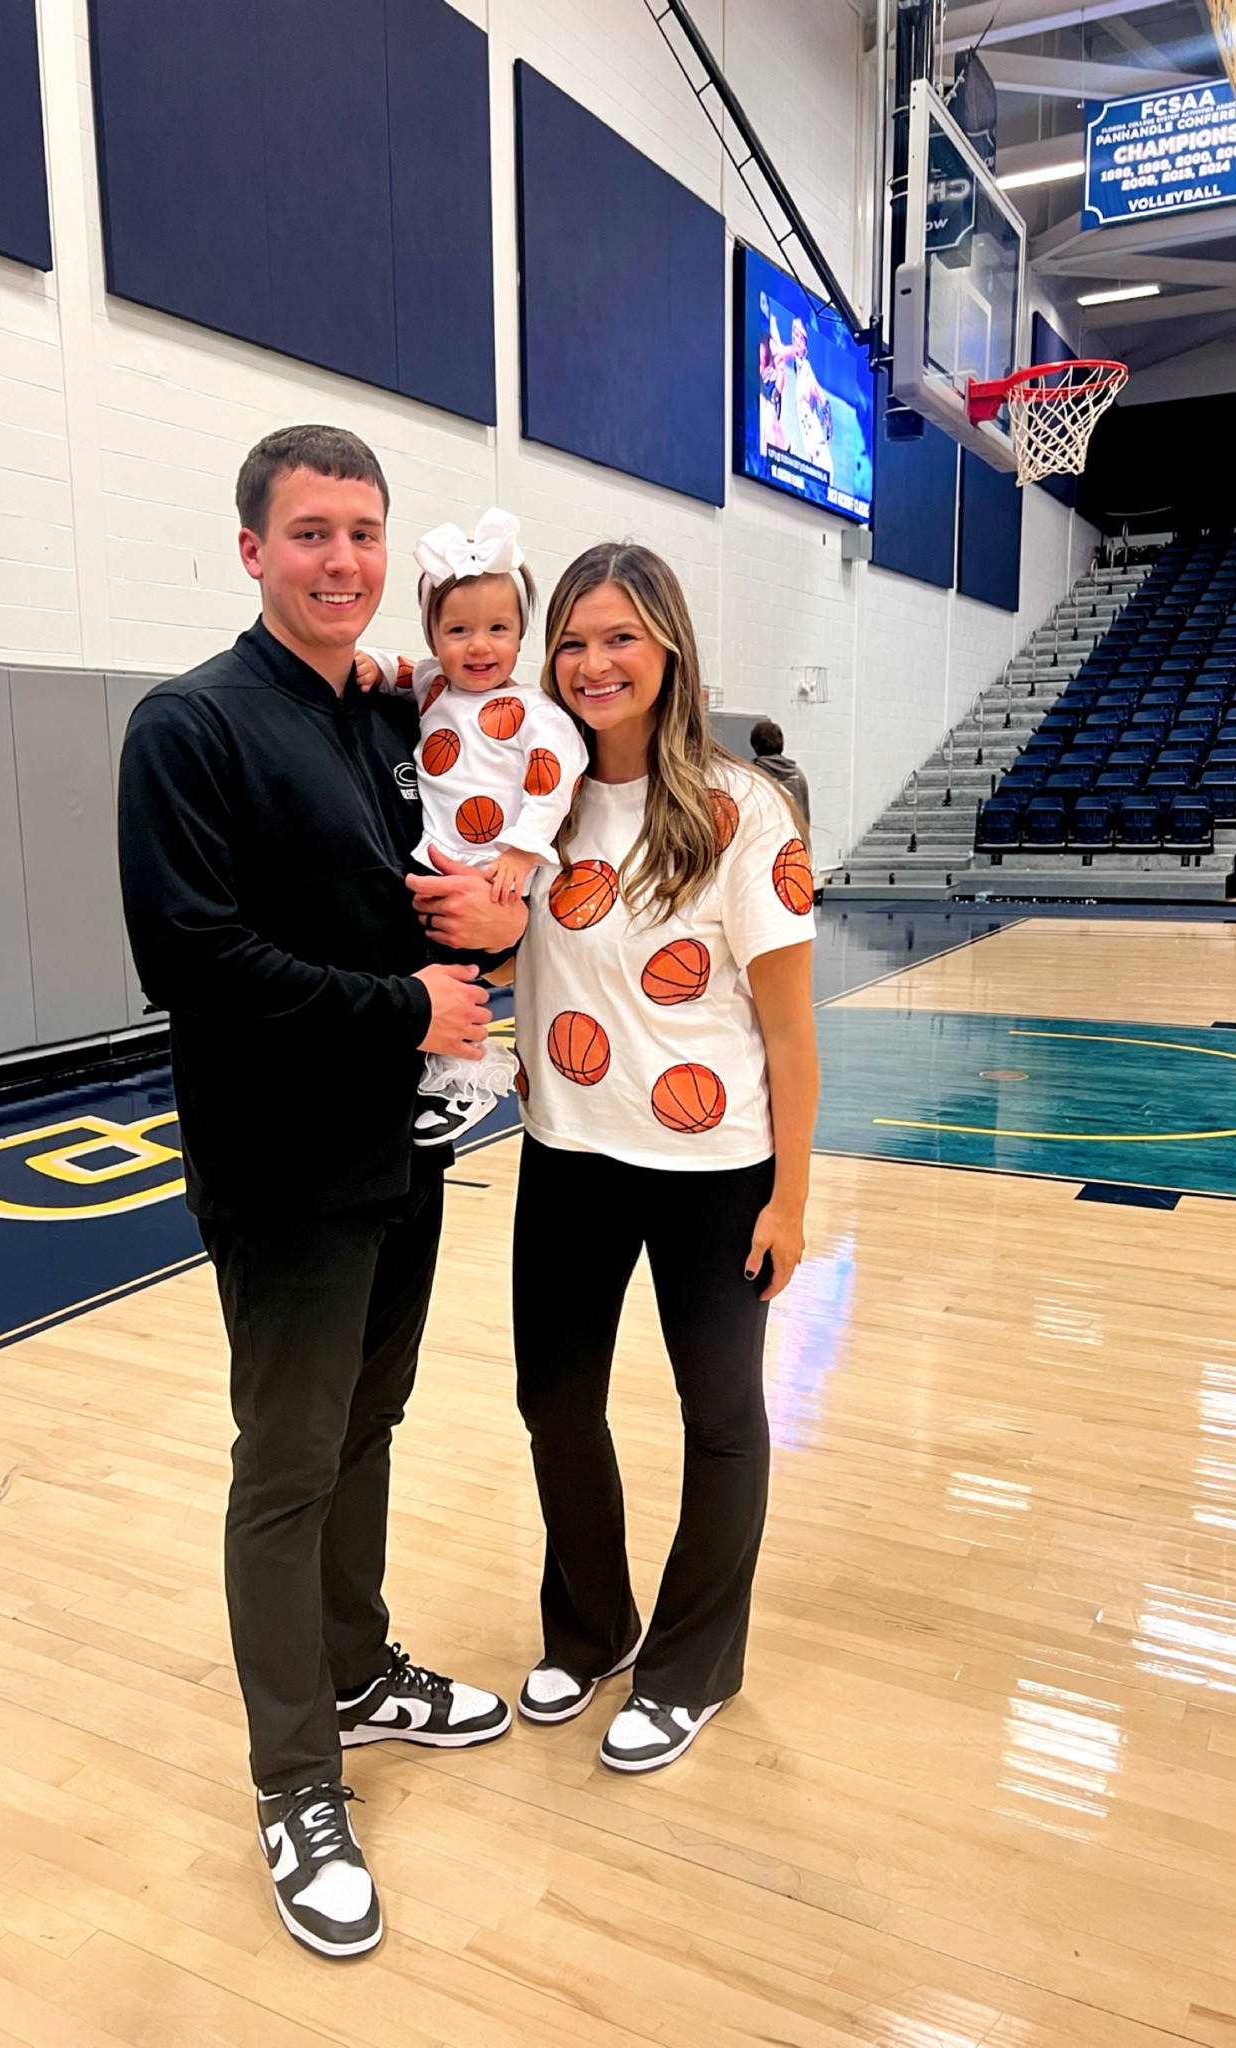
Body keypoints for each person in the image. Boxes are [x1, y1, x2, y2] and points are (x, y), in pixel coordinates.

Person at [117, 425, 524, 1962]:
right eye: (311, 535)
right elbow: (194, 964)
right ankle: (298, 1781)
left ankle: (357, 1667)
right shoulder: (191, 725)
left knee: (370, 1423)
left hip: (398, 1151)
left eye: (363, 533)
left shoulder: (377, 718)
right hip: (282, 1172)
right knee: (285, 1466)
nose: (343, 560)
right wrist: (407, 1009)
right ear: (252, 552)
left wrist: (477, 927)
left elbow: (416, 891)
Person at [490, 542, 819, 1773]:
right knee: (554, 1404)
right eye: (571, 641)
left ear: (668, 646)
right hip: (568, 1153)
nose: (592, 663)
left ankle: (691, 1667)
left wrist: (791, 1193)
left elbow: (790, 1031)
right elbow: (443, 704)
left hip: (716, 1169)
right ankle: (593, 1624)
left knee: (721, 1417)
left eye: (618, 636)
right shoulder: (540, 802)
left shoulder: (744, 810)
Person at [356, 507, 588, 1145]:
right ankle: (445, 1064)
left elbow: (553, 779)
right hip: (434, 857)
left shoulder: (536, 712)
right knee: (421, 964)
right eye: (458, 629)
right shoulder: (434, 685)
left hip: (490, 870)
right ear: (435, 636)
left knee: (457, 968)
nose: (478, 645)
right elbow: (402, 669)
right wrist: (375, 663)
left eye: (497, 628)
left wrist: (520, 853)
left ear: (520, 635)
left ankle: (472, 1068)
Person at [748, 718, 811, 832]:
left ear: (755, 747)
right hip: (793, 844)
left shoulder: (750, 776)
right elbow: (805, 820)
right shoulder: (798, 776)